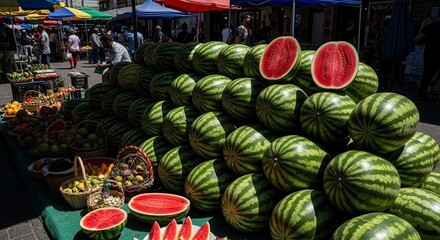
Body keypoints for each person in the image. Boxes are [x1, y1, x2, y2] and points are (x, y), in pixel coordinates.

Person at [414, 21, 440, 101]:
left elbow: (417, 40)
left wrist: (426, 43)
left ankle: (421, 96)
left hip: (431, 54)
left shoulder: (431, 26)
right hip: (432, 54)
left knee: (426, 76)